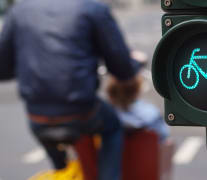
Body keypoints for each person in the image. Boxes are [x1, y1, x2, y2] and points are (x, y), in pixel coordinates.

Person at [0, 0, 140, 179]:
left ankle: (62, 170)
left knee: (57, 157)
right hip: (82, 112)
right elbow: (122, 68)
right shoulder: (93, 8)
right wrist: (135, 63)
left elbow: (2, 68)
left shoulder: (19, 10)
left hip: (37, 116)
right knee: (112, 128)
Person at [107, 74, 169, 142]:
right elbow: (163, 137)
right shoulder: (151, 114)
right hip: (146, 150)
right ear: (137, 90)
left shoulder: (104, 117)